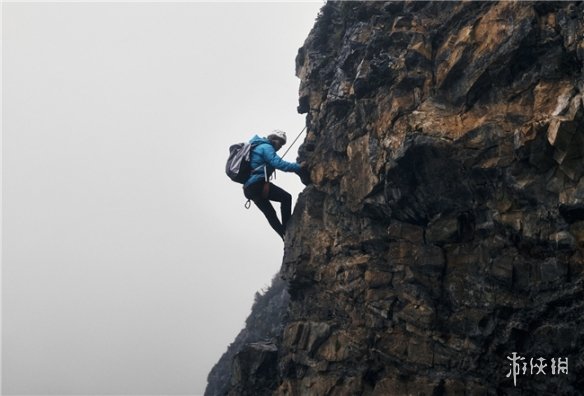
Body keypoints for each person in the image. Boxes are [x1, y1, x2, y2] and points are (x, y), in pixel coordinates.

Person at [243, 130, 303, 240]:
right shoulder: (266, 147)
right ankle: (288, 229)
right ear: (273, 139)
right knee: (286, 198)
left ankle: (284, 236)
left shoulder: (257, 147)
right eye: (280, 143)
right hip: (257, 184)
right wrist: (298, 167)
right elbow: (279, 164)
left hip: (249, 188)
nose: (280, 146)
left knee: (270, 213)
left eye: (282, 144)